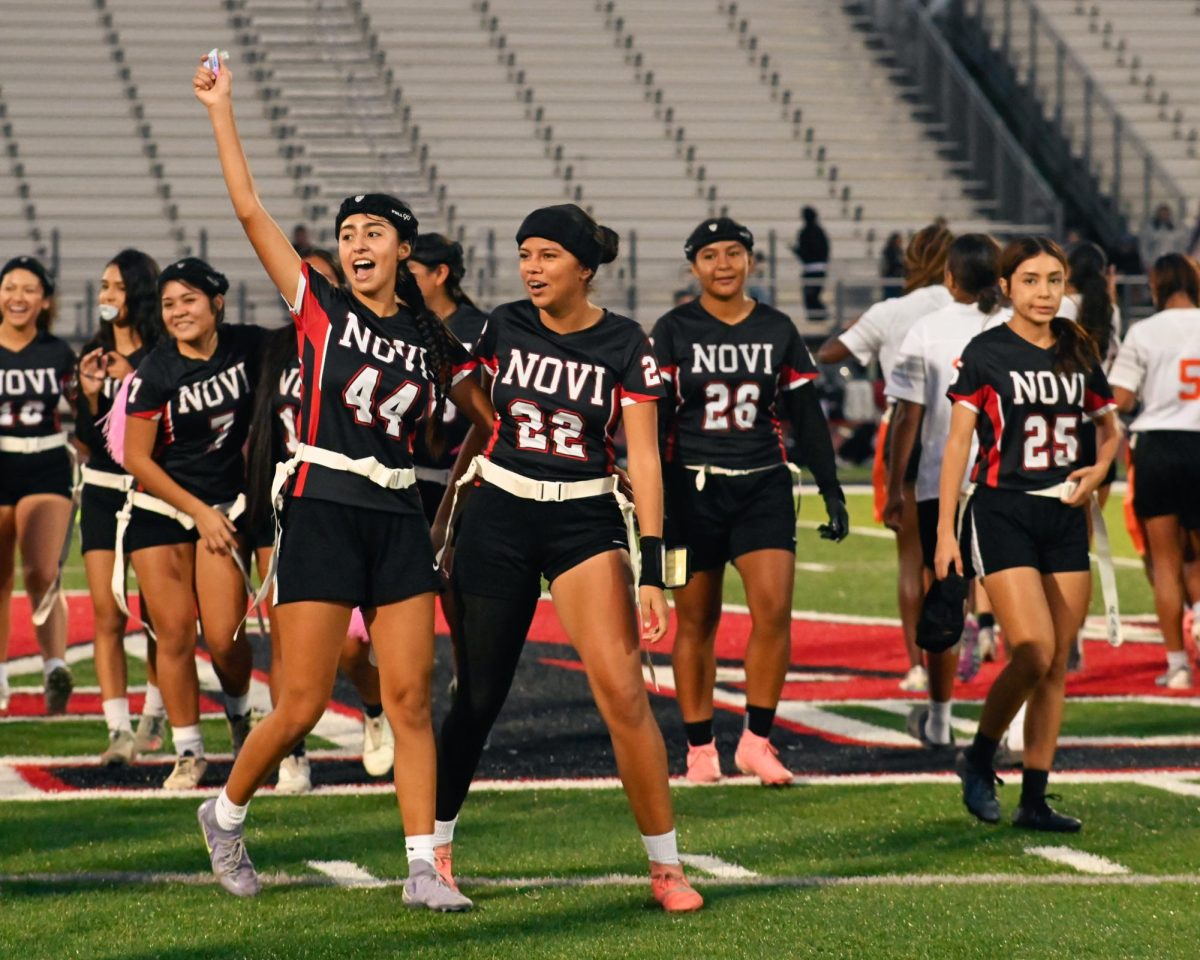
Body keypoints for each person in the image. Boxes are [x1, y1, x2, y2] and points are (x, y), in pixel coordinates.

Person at [191, 54, 492, 910]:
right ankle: (225, 812)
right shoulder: (319, 307)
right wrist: (222, 111)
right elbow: (250, 210)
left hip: (398, 512)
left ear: (405, 249)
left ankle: (425, 868)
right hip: (322, 506)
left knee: (408, 698)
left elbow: (486, 418)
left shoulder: (435, 339)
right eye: (348, 233)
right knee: (296, 705)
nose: (357, 244)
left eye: (373, 234)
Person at [431, 203, 704, 913]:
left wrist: (652, 566)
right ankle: (434, 850)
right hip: (500, 510)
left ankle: (667, 867)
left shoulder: (627, 342)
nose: (531, 268)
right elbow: (459, 385)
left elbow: (643, 457)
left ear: (585, 266)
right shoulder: (502, 324)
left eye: (548, 255)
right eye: (525, 254)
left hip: (584, 514)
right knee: (479, 697)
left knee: (623, 692)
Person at [651, 217, 848, 786]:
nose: (723, 264)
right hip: (694, 488)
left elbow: (807, 416)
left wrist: (830, 485)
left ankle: (757, 741)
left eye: (733, 253)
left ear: (752, 262)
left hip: (763, 482)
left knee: (773, 611)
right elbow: (656, 418)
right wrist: (658, 498)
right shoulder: (672, 328)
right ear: (694, 266)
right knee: (697, 621)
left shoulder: (778, 327)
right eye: (710, 255)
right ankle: (699, 747)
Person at [937, 236, 1120, 832]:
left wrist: (1098, 469)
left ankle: (1034, 798)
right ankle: (981, 756)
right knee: (1033, 649)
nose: (1045, 292)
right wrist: (945, 533)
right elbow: (958, 445)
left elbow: (1110, 430)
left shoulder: (1078, 345)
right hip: (1003, 510)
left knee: (1057, 664)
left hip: (1065, 513)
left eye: (1054, 279)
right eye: (1032, 280)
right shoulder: (986, 350)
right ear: (1007, 286)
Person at [242, 248, 397, 794]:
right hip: (287, 506)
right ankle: (294, 754)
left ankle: (376, 709)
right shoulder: (270, 347)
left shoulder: (365, 344)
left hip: (349, 502)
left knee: (352, 645)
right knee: (285, 643)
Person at [121, 258, 261, 790]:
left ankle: (240, 716)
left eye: (189, 300)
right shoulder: (156, 370)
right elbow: (138, 458)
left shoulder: (247, 346)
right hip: (163, 509)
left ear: (216, 302)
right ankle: (189, 751)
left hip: (224, 509)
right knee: (174, 633)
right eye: (169, 303)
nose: (179, 312)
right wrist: (197, 511)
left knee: (224, 636)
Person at [818, 224, 954, 691]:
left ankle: (916, 663)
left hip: (909, 432)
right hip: (968, 429)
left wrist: (863, 329)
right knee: (966, 552)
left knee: (910, 558)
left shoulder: (893, 310)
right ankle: (975, 634)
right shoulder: (973, 307)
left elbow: (830, 352)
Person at [884, 233, 1005, 749]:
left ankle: (938, 717)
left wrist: (895, 486)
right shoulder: (1012, 327)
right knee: (1014, 596)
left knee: (944, 599)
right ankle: (1016, 725)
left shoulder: (927, 330)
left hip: (944, 481)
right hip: (1009, 480)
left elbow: (908, 415)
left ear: (949, 278)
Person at [74, 249, 167, 762]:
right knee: (107, 614)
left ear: (137, 293)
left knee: (158, 614)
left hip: (152, 491)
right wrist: (90, 396)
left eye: (115, 286)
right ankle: (116, 728)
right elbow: (89, 441)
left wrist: (135, 375)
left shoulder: (163, 354)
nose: (106, 296)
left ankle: (154, 712)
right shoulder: (91, 353)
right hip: (103, 489)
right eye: (103, 287)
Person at [1108, 253, 1200, 689]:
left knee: (1164, 563)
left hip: (1159, 446)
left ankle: (1178, 665)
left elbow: (1120, 399)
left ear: (1158, 285)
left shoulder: (1144, 331)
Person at [0, 256, 75, 715]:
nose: (18, 297)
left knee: (43, 572)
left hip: (45, 460)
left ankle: (54, 667)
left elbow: (84, 413)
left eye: (29, 289)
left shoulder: (58, 353)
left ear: (45, 300)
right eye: (10, 287)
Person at [1057, 242, 1122, 672]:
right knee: (1084, 540)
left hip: (1060, 426)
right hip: (1102, 429)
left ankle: (1064, 633)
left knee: (1060, 543)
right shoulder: (1108, 310)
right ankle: (1075, 634)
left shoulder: (1060, 306)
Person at [407, 234, 489, 523]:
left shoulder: (483, 330)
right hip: (407, 478)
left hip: (463, 474)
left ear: (440, 273)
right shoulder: (398, 325)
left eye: (409, 271)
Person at [792, 206, 829, 321]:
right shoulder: (820, 231)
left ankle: (817, 317)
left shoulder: (804, 232)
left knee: (810, 296)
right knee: (814, 294)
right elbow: (826, 249)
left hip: (810, 268)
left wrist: (796, 251)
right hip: (820, 268)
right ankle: (819, 316)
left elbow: (804, 252)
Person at [880, 232, 905, 299]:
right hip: (890, 278)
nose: (900, 242)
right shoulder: (888, 251)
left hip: (898, 279)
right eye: (898, 240)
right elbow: (890, 264)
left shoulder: (900, 251)